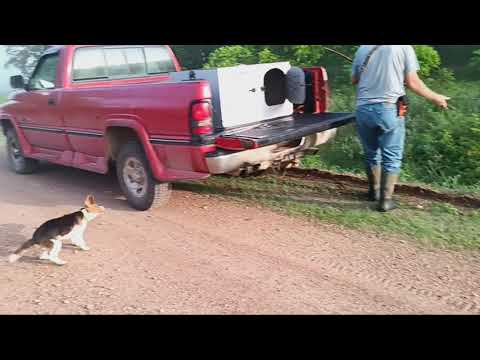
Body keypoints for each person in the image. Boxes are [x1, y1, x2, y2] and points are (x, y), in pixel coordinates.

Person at [351, 45, 450, 212]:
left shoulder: (363, 49)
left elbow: (354, 80)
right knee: (391, 156)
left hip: (363, 110)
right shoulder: (403, 48)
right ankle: (385, 201)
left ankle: (374, 192)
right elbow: (413, 82)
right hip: (388, 109)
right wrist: (436, 98)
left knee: (371, 153)